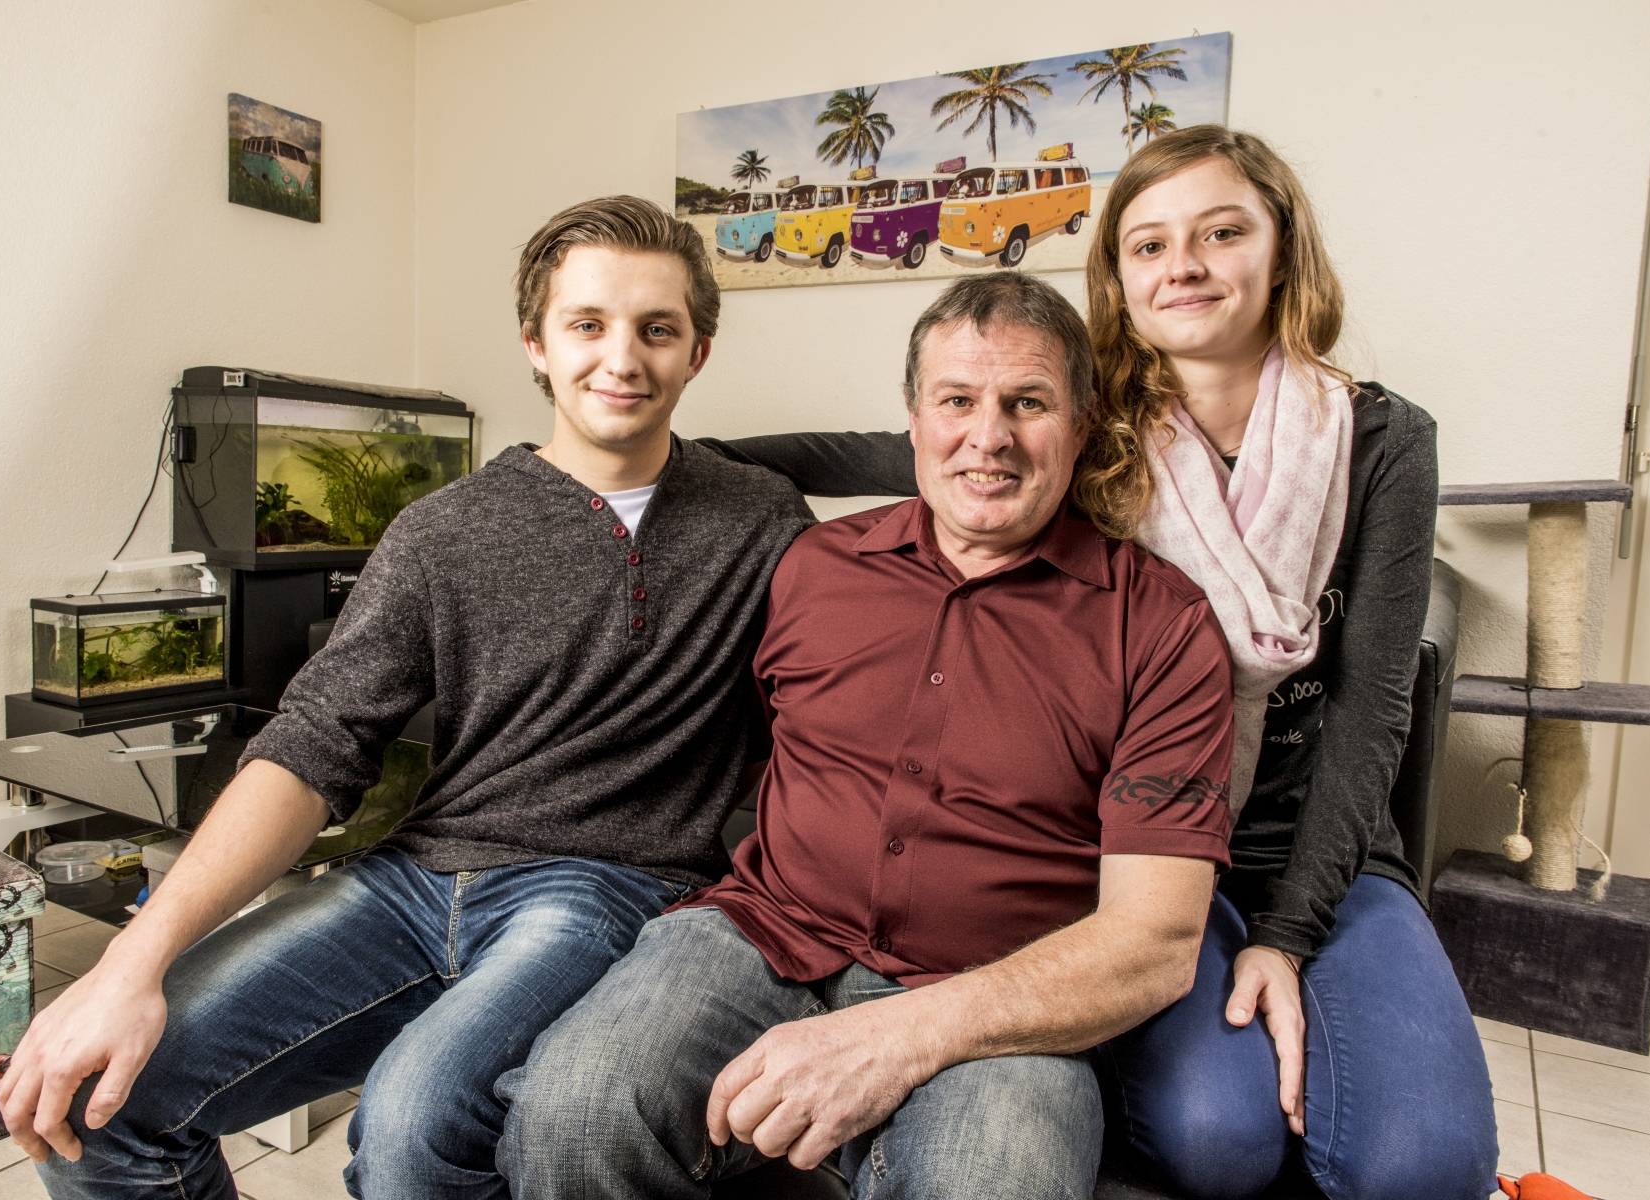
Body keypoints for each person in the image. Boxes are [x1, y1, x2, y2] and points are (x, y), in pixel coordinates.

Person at [707, 125, 1499, 1200]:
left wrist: (1288, 933)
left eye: (1222, 233)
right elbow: (908, 450)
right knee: (1213, 1142)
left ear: (1281, 251)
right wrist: (681, 461)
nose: (1184, 265)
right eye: (1149, 244)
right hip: (1150, 845)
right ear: (1116, 280)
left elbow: (1371, 709)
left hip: (1320, 840)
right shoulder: (1089, 430)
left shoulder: (1379, 437)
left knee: (1424, 1163)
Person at [0, 195, 814, 1200]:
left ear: (698, 353)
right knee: (98, 1107)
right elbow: (309, 746)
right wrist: (129, 963)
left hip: (601, 887)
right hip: (409, 881)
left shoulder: (762, 519)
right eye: (587, 325)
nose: (623, 358)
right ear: (535, 345)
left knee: (410, 1122)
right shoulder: (443, 531)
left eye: (658, 330)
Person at [497, 271, 1237, 1199]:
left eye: (1028, 403)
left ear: (1081, 427)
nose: (989, 435)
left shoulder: (1161, 625)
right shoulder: (812, 567)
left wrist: (897, 1037)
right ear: (914, 420)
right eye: (957, 400)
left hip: (999, 995)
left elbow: (1155, 942)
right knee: (575, 1108)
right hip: (764, 933)